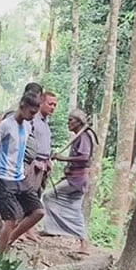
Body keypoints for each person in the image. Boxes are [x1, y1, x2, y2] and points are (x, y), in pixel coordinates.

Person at [0, 92, 45, 253]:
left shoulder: (27, 126)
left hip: (19, 177)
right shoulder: (6, 125)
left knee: (38, 211)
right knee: (10, 220)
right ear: (22, 106)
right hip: (3, 177)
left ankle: (10, 239)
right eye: (31, 112)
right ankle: (0, 255)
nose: (33, 117)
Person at [42, 109, 96, 255]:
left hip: (77, 180)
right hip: (74, 178)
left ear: (79, 122)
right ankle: (81, 242)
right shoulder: (78, 137)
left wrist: (62, 159)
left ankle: (53, 229)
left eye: (71, 120)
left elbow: (85, 158)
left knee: (49, 196)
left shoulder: (84, 136)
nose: (68, 123)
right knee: (74, 209)